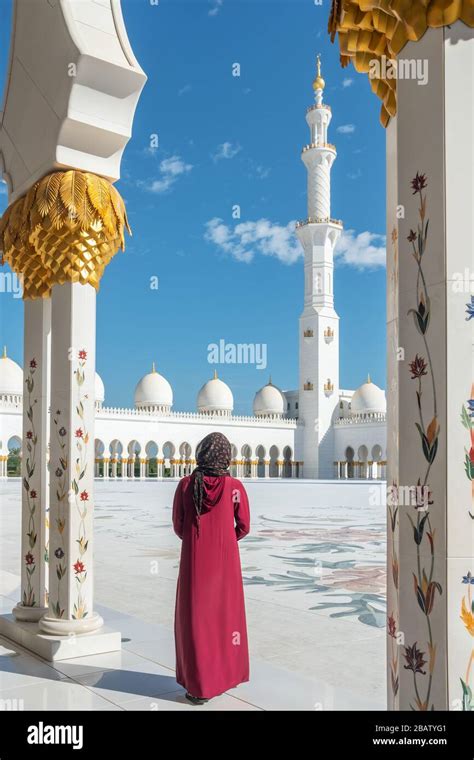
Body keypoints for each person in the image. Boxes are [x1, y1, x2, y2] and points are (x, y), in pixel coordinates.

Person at [172, 431, 250, 704]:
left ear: (201, 452)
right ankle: (224, 677)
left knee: (197, 621)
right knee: (225, 619)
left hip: (195, 562)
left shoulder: (185, 485)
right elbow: (244, 526)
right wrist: (226, 540)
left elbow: (179, 526)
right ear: (226, 455)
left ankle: (198, 686)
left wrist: (198, 541)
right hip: (226, 564)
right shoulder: (236, 488)